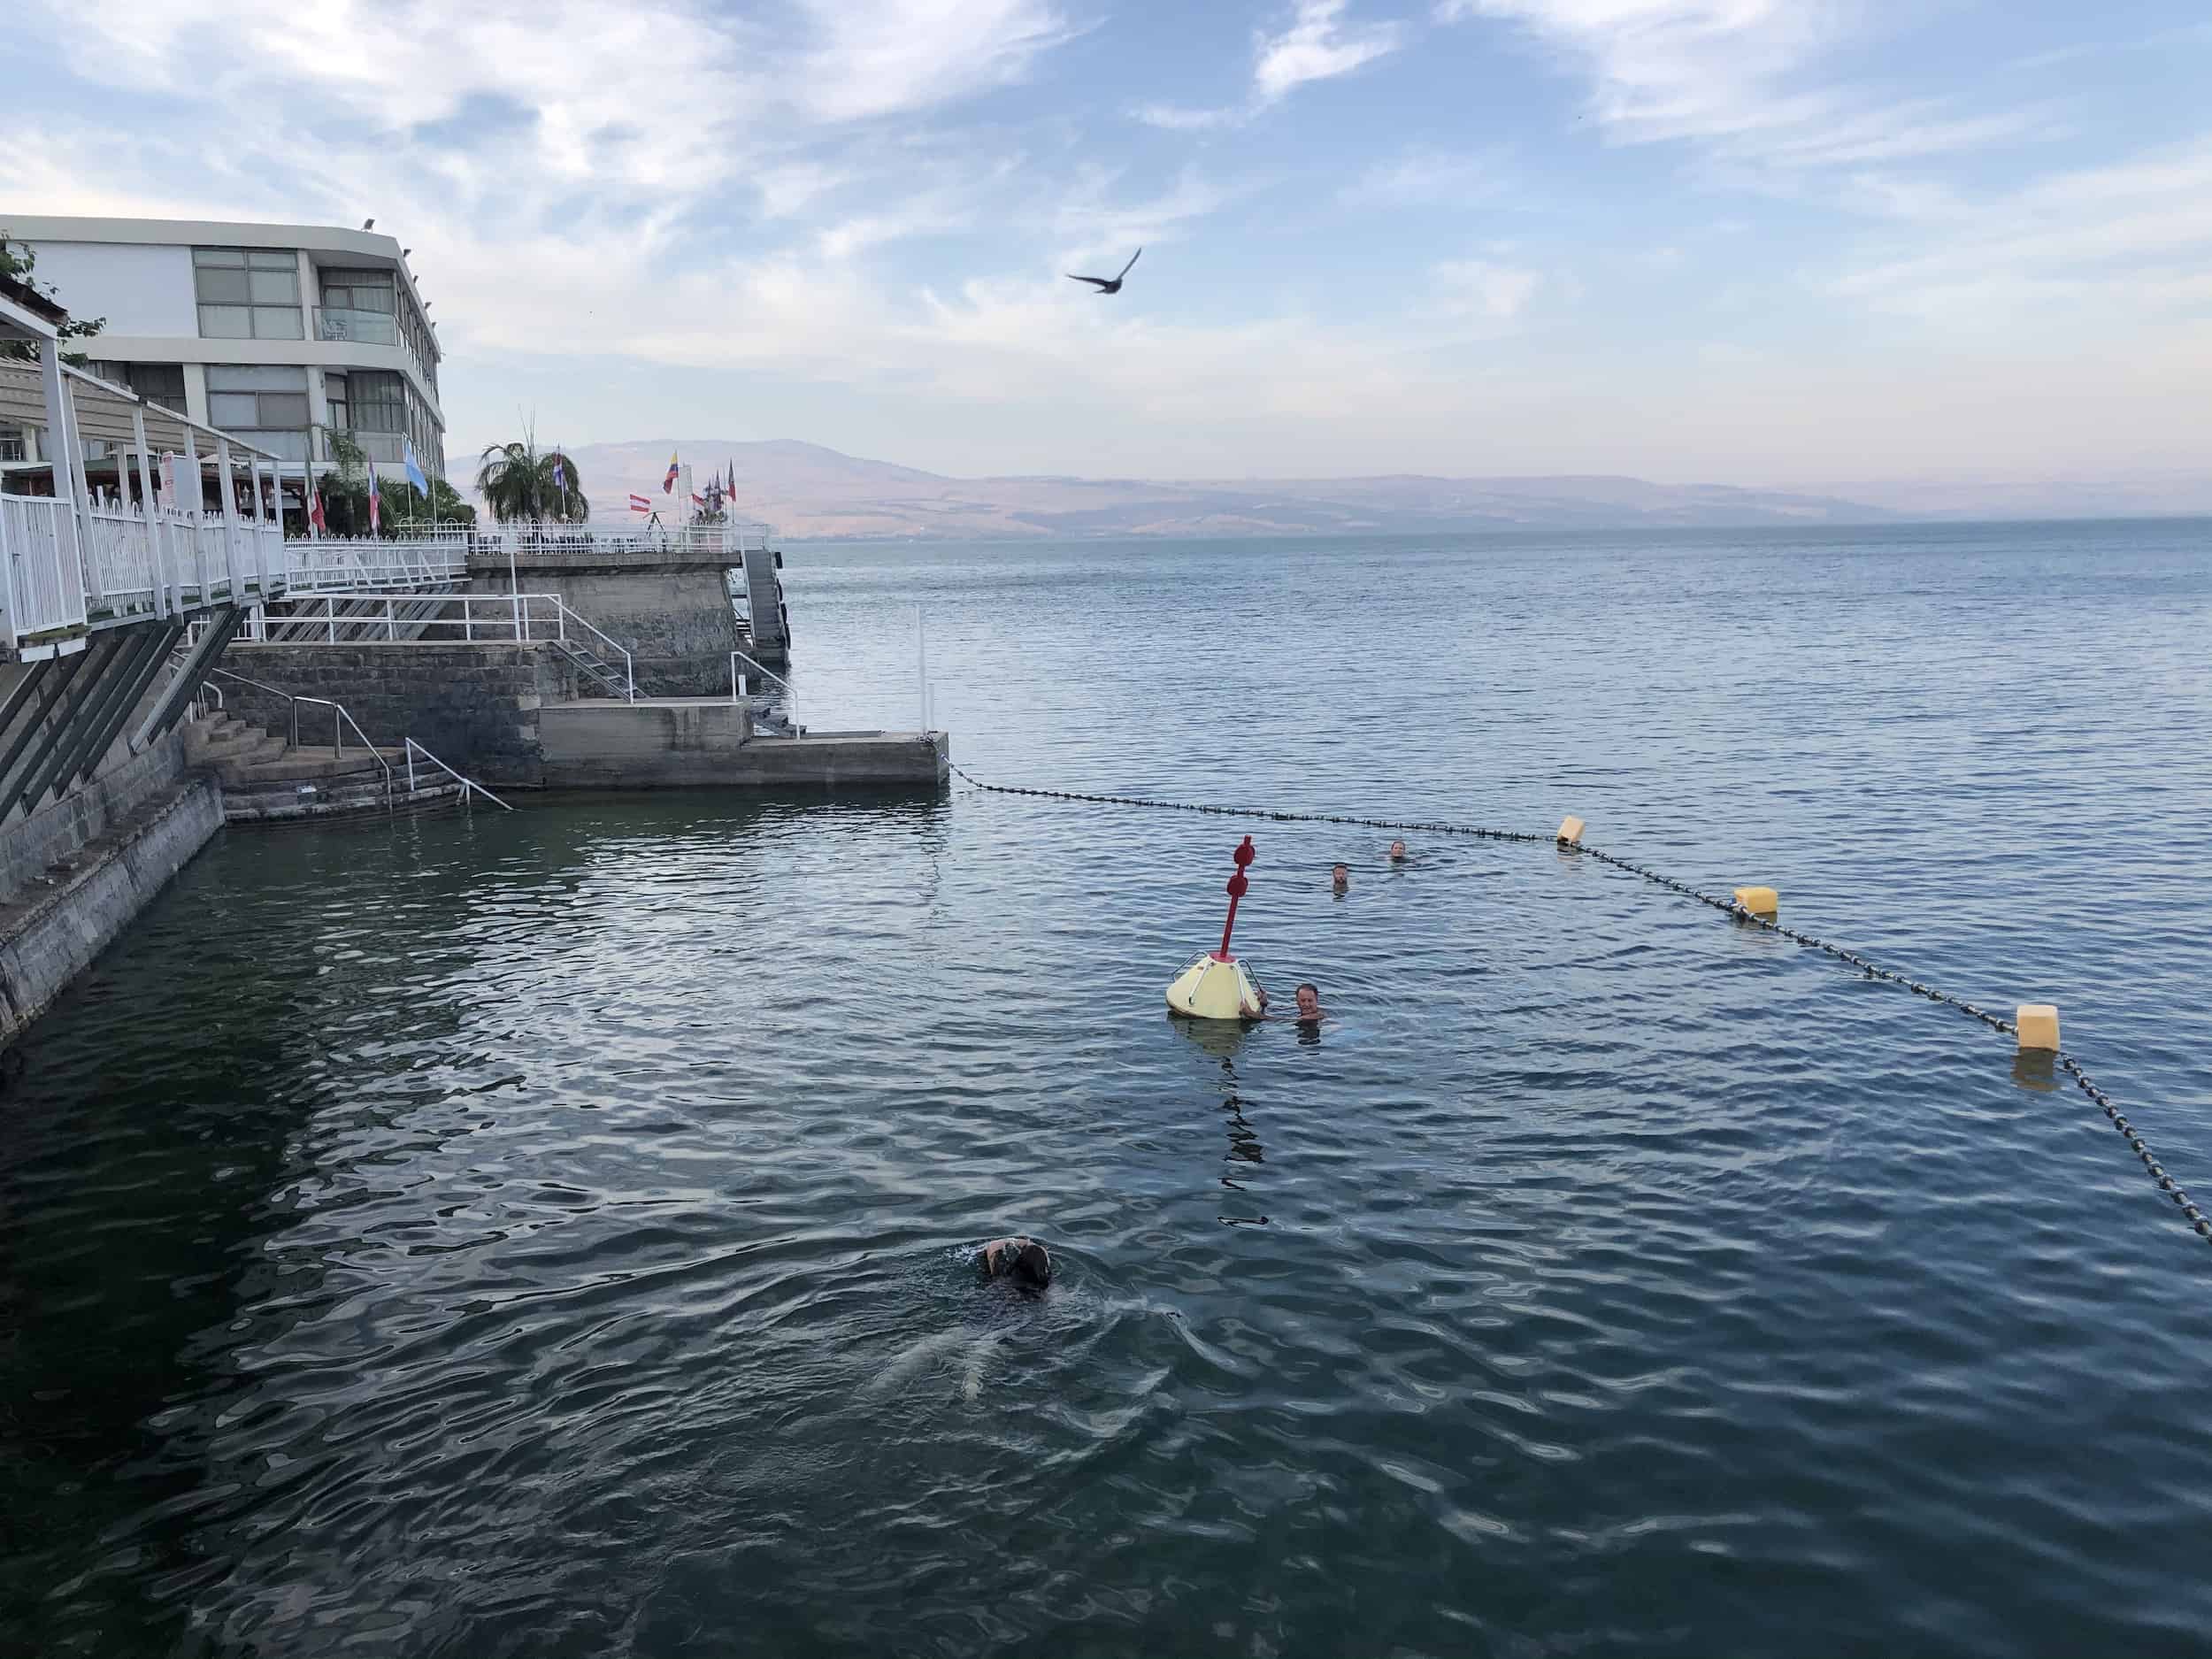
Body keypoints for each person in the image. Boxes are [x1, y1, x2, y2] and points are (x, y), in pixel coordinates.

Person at [979, 1236, 1051, 1288]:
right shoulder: (1044, 1284)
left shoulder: (1003, 1275)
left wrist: (1024, 1242)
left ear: (1019, 1260)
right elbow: (1042, 1252)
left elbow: (993, 1245)